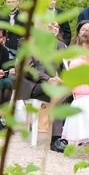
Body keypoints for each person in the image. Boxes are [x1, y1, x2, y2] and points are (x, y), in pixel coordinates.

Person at [17, 22, 67, 152]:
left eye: (52, 28)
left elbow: (65, 68)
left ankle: (65, 136)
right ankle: (56, 139)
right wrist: (48, 79)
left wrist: (62, 79)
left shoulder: (60, 46)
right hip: (33, 85)